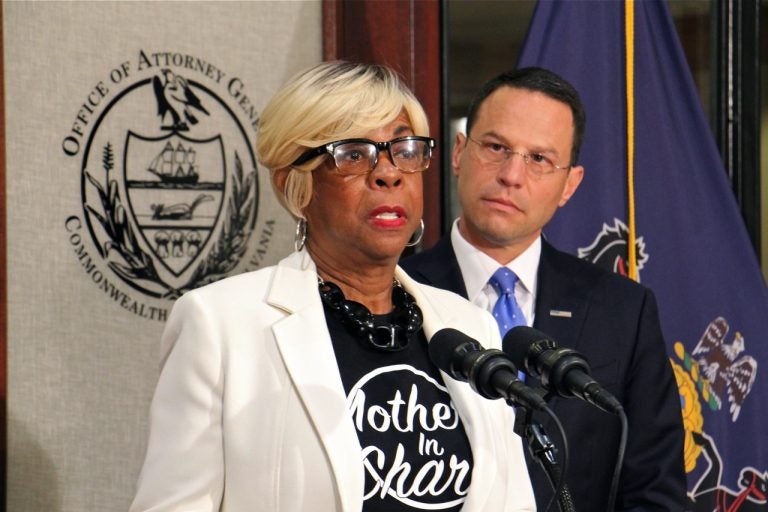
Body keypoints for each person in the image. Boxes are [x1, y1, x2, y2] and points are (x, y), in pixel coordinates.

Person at [130, 61, 536, 512]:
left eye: (404, 148)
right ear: (296, 185)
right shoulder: (221, 325)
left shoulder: (471, 326)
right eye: (353, 154)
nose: (389, 173)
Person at [401, 67, 686, 511]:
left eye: (539, 159)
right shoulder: (396, 295)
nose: (512, 175)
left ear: (569, 185)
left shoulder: (623, 311)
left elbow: (655, 491)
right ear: (459, 153)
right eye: (496, 147)